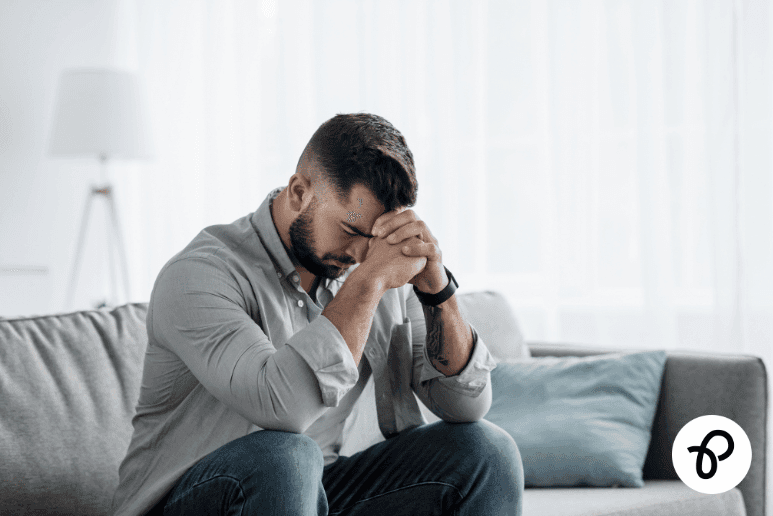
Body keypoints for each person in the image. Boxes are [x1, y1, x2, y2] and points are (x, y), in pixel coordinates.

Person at [110, 113, 524, 516]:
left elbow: (465, 407)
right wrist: (368, 281)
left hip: (317, 488)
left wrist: (438, 290)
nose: (363, 254)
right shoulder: (199, 274)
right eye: (351, 230)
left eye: (377, 239)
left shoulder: (372, 265)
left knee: (486, 451)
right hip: (191, 498)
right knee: (286, 456)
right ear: (298, 192)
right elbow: (282, 409)